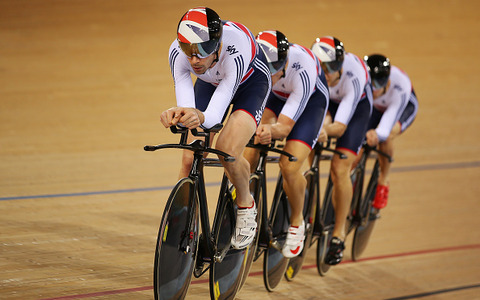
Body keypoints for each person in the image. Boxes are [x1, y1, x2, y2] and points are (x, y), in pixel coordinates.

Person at [160, 7, 272, 250]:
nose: (194, 60)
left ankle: (245, 204)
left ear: (217, 44)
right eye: (188, 50)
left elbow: (211, 117)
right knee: (190, 156)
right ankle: (183, 219)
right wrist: (178, 114)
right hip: (210, 82)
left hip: (250, 83)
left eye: (202, 50)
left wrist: (197, 116)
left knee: (227, 150)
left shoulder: (236, 48)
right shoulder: (178, 53)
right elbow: (188, 105)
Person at [245, 30, 329, 258]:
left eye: (274, 70)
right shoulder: (257, 60)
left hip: (310, 103)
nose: (269, 75)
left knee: (289, 165)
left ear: (286, 62)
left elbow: (284, 128)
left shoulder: (302, 69)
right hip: (277, 96)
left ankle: (296, 221)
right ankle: (244, 203)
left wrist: (269, 129)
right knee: (249, 148)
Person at [311, 36, 372, 265]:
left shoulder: (353, 75)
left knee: (339, 168)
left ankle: (338, 233)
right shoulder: (314, 73)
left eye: (332, 67)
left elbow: (339, 126)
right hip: (329, 102)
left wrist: (325, 129)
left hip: (355, 111)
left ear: (341, 65)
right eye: (322, 67)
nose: (327, 73)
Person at [364, 54, 418, 212]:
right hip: (377, 108)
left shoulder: (400, 85)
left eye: (378, 83)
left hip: (401, 107)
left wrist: (378, 134)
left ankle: (383, 181)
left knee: (386, 136)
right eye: (370, 83)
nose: (374, 88)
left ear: (387, 81)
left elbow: (386, 126)